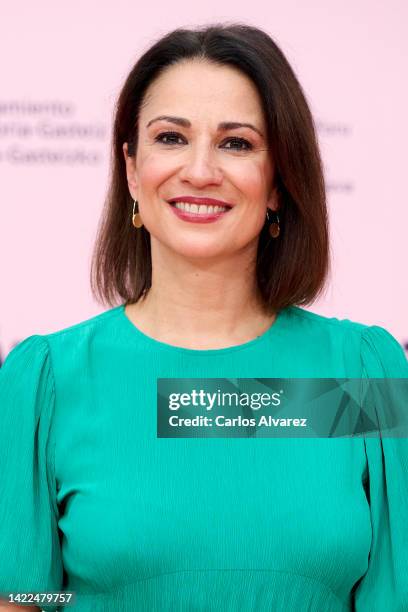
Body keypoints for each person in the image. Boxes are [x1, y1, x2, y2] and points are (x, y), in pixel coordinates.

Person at [0, 22, 407, 612]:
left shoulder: (362, 374)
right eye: (170, 137)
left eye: (236, 143)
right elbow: (24, 595)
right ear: (132, 169)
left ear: (277, 181)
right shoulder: (46, 382)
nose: (199, 170)